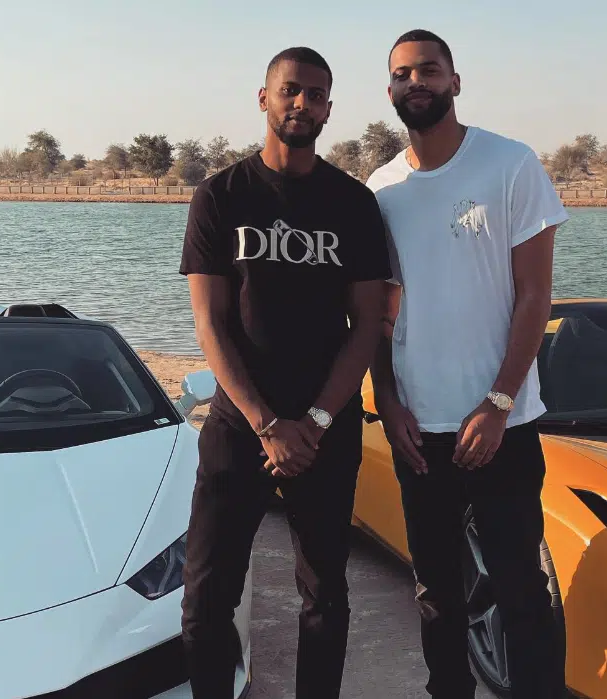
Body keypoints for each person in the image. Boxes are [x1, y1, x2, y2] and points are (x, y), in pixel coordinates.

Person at [178, 46, 392, 699]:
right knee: (205, 595)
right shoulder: (221, 196)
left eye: (317, 94)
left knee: (324, 592)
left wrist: (317, 420)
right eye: (291, 90)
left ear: (329, 108)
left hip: (327, 430)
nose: (303, 103)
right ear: (264, 98)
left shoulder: (352, 204)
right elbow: (211, 325)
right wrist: (268, 423)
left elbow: (369, 322)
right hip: (240, 428)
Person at [366, 29, 570, 699]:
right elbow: (382, 310)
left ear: (456, 81)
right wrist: (388, 402)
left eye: (428, 70)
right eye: (402, 74)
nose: (415, 82)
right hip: (417, 432)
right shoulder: (382, 188)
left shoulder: (509, 165)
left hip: (502, 426)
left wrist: (500, 399)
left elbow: (535, 293)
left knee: (521, 593)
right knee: (435, 593)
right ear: (390, 90)